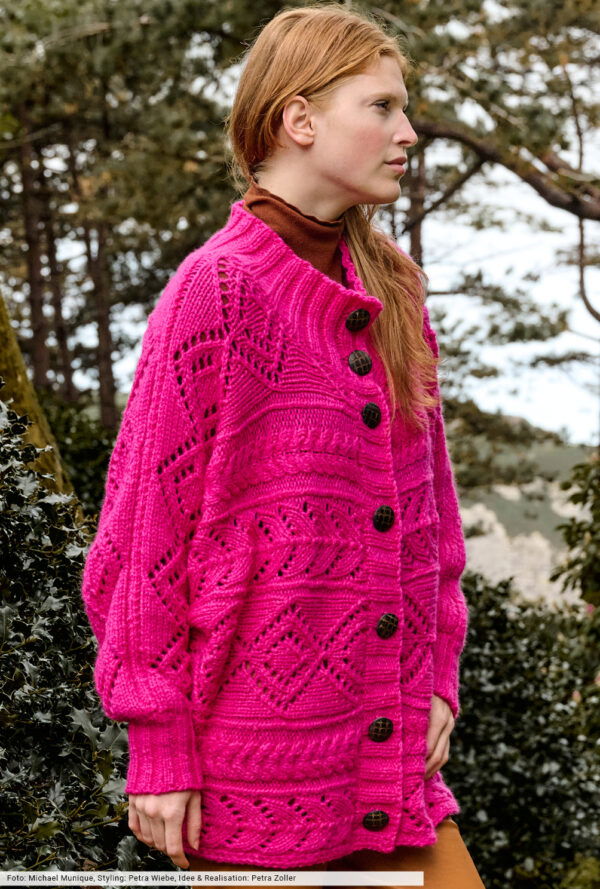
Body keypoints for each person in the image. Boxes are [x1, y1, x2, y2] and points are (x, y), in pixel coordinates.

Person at [80, 3, 486, 888]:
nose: (408, 133)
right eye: (381, 107)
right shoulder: (217, 291)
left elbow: (430, 521)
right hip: (251, 779)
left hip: (389, 768)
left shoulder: (393, 291)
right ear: (299, 119)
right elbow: (143, 543)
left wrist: (438, 675)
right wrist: (157, 743)